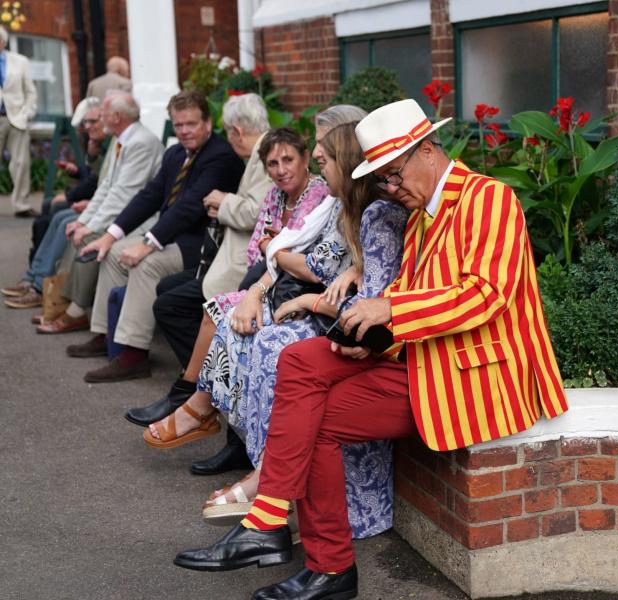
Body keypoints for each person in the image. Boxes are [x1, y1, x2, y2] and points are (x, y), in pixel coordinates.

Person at [173, 99, 568, 600]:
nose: (389, 188)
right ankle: (277, 522)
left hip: (468, 375)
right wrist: (374, 333)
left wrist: (390, 313)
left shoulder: (488, 199)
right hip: (424, 358)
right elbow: (415, 295)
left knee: (313, 415)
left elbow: (484, 296)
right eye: (380, 179)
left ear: (428, 151)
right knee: (298, 360)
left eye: (393, 174)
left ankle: (322, 562)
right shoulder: (423, 211)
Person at [148, 123, 407, 538]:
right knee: (242, 330)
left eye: (322, 162)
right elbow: (306, 264)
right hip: (327, 312)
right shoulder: (345, 209)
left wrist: (303, 292)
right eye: (274, 163)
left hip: (354, 330)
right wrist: (271, 279)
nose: (320, 174)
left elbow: (366, 303)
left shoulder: (374, 213)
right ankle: (255, 462)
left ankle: (267, 478)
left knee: (271, 345)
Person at [125, 105, 368, 481]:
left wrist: (280, 259)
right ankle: (212, 418)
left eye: (319, 150)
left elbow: (308, 261)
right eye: (272, 163)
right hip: (281, 284)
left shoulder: (330, 197)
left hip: (316, 302)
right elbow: (264, 248)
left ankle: (224, 430)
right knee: (217, 312)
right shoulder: (309, 199)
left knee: (242, 329)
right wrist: (262, 280)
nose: (284, 168)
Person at [73, 90, 244, 382]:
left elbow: (190, 207)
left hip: (202, 243)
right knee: (113, 253)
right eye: (178, 125)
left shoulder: (221, 156)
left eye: (191, 124)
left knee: (146, 263)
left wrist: (148, 244)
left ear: (207, 122)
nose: (184, 131)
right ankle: (107, 335)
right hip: (173, 236)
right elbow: (149, 196)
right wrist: (111, 235)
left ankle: (134, 353)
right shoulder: (175, 154)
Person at [36, 92, 163, 335]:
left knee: (88, 240)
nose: (98, 118)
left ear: (117, 116)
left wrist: (90, 227)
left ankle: (77, 311)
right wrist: (84, 221)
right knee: (76, 230)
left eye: (103, 112)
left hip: (142, 219)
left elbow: (123, 195)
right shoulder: (123, 138)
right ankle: (64, 302)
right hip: (126, 213)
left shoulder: (140, 142)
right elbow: (107, 187)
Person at [1, 98, 107, 310]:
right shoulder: (102, 144)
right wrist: (82, 166)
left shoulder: (119, 144)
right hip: (99, 202)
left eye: (93, 121)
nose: (88, 127)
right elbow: (97, 178)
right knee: (53, 212)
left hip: (107, 210)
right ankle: (33, 278)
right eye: (86, 123)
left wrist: (78, 200)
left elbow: (105, 185)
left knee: (61, 217)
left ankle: (39, 286)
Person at [0, 25, 38, 218]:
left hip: (16, 117)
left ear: (3, 42)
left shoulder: (20, 61)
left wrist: (28, 113)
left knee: (21, 163)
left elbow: (30, 91)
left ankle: (22, 205)